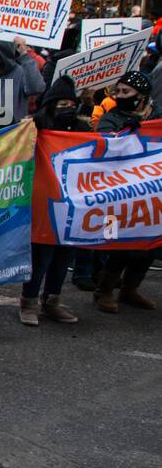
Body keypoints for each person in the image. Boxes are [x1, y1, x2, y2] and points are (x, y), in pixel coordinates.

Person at [20, 76, 84, 327]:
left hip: (73, 202)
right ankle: (29, 301)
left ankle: (53, 301)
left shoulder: (82, 130)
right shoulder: (36, 126)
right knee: (42, 255)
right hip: (44, 201)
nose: (67, 107)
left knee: (64, 253)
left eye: (71, 103)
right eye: (61, 103)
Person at [93, 71, 157, 313]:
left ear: (141, 97)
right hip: (118, 192)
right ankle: (104, 290)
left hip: (148, 193)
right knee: (120, 242)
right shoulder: (112, 118)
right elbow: (102, 146)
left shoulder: (156, 115)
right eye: (117, 91)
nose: (119, 96)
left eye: (125, 92)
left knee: (149, 243)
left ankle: (130, 289)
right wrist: (123, 134)